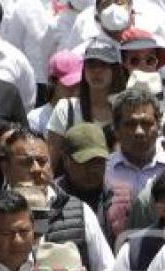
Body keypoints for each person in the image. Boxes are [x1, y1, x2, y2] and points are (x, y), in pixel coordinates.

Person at [0, 127, 115, 271]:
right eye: (26, 162)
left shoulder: (80, 212)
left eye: (42, 161)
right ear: (5, 168)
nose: (36, 169)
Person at [47, 38, 127, 171]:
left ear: (116, 70)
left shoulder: (125, 110)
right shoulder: (66, 109)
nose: (96, 71)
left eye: (103, 64)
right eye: (91, 65)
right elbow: (51, 162)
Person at [104, 88, 165, 243]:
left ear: (158, 126)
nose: (139, 131)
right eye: (130, 124)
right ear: (116, 129)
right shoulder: (104, 171)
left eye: (146, 123)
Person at [56, 123, 110, 224]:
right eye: (86, 162)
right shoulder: (53, 201)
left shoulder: (120, 199)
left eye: (99, 161)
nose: (93, 169)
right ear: (66, 159)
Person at [28, 51, 82, 136]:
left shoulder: (89, 114)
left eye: (78, 84)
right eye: (69, 84)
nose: (75, 90)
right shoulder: (35, 120)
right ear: (52, 82)